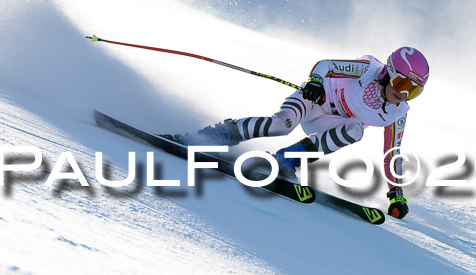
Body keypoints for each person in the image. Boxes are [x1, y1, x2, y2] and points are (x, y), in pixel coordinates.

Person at [162, 47, 429, 219]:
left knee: (355, 130)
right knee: (282, 124)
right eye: (402, 83)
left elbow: (392, 153)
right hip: (315, 100)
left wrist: (397, 193)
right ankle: (213, 136)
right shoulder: (368, 70)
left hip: (331, 123)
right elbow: (325, 65)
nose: (403, 94)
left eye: (413, 91)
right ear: (388, 73)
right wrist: (315, 83)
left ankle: (286, 160)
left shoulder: (398, 112)